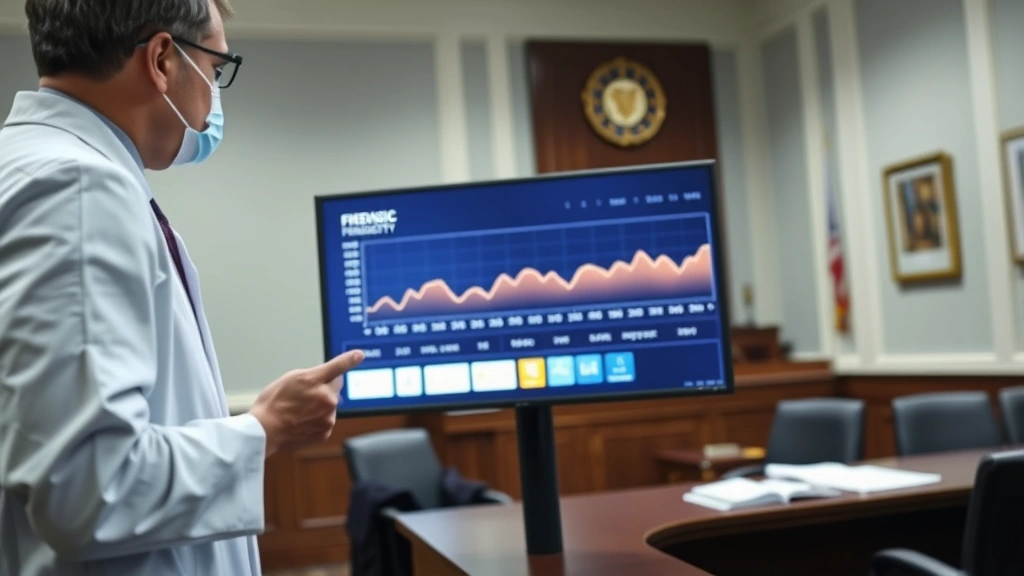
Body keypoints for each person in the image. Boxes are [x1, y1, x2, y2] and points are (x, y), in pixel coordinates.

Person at [0, 1, 365, 575]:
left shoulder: (33, 166)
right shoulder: (76, 189)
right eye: (216, 70)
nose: (215, 97)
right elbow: (86, 489)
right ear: (163, 60)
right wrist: (261, 429)